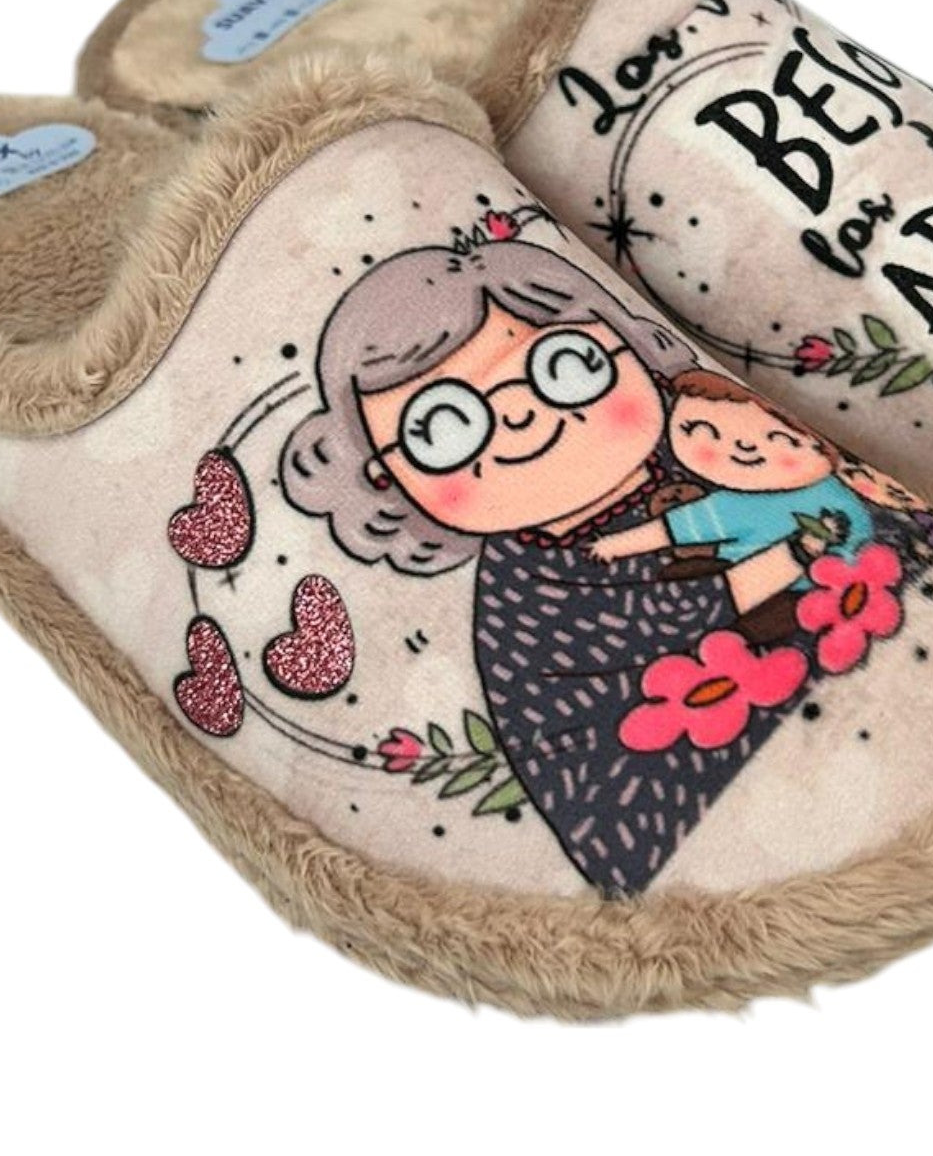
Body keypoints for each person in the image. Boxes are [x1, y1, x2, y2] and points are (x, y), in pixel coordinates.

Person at [280, 233, 826, 898]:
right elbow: (609, 773)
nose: (520, 417)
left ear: (624, 339)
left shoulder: (701, 443)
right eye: (445, 428)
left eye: (564, 365)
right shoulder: (533, 601)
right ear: (386, 478)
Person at [591, 371, 875, 629]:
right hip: (737, 574)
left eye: (778, 438)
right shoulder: (730, 503)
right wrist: (614, 545)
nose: (743, 448)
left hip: (821, 589)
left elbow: (673, 528)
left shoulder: (836, 500)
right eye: (704, 433)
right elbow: (673, 527)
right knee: (690, 579)